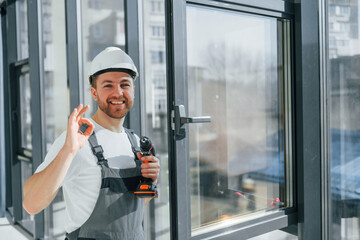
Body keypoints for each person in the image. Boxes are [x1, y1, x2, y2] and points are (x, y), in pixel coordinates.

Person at [23, 47, 160, 240]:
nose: (118, 92)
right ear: (94, 93)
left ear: (133, 90)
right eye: (108, 85)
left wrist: (151, 181)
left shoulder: (135, 142)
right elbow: (31, 203)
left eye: (124, 84)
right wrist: (68, 152)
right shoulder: (76, 140)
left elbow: (134, 213)